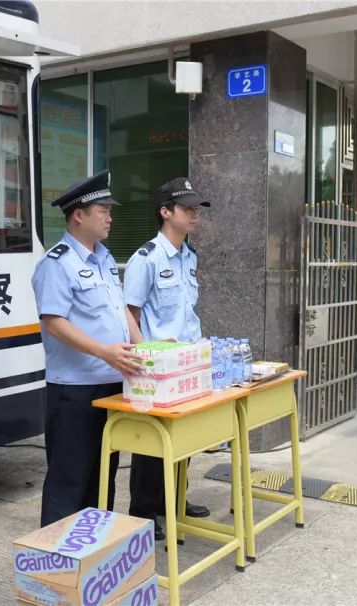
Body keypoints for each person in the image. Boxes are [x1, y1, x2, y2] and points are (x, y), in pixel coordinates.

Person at [31, 169, 144, 527]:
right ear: (78, 215)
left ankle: (94, 555)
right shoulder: (58, 263)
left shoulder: (105, 259)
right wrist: (105, 352)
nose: (110, 217)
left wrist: (144, 348)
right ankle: (55, 567)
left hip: (111, 384)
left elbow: (120, 309)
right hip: (75, 390)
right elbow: (54, 322)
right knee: (69, 479)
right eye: (103, 211)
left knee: (102, 478)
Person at [124, 176, 212, 541]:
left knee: (183, 438)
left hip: (186, 363)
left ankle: (174, 500)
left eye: (196, 209)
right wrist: (146, 359)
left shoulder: (189, 256)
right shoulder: (145, 259)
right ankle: (145, 511)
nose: (194, 215)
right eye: (187, 209)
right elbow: (128, 312)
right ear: (165, 212)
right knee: (151, 445)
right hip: (157, 367)